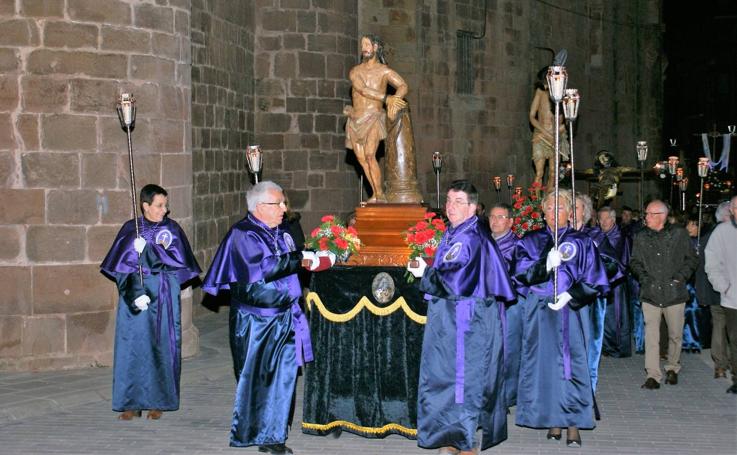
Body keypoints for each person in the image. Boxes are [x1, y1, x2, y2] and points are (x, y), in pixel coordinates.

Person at [202, 181, 334, 453]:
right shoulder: (244, 234)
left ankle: (273, 436)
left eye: (284, 203)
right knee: (258, 379)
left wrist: (314, 258)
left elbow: (291, 265)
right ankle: (259, 430)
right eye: (279, 204)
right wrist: (301, 258)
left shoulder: (280, 231)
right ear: (261, 207)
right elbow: (264, 267)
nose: (285, 208)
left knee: (284, 377)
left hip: (284, 315)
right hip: (257, 321)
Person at [407, 180, 516, 454]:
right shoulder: (455, 231)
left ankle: (463, 440)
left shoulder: (470, 236)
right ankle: (451, 435)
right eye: (448, 200)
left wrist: (426, 273)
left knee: (461, 379)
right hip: (452, 316)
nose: (450, 206)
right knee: (447, 375)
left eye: (458, 201)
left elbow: (457, 281)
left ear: (472, 207)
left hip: (465, 320)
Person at [512, 189, 609, 447]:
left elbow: (596, 278)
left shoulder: (581, 241)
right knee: (544, 365)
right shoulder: (530, 241)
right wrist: (545, 264)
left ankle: (574, 422)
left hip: (571, 310)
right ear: (543, 213)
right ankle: (552, 418)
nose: (555, 213)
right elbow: (519, 275)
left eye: (561, 208)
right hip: (539, 310)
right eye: (550, 208)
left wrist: (572, 295)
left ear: (570, 212)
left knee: (571, 364)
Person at [101, 184, 201, 420]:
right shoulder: (131, 229)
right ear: (145, 206)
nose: (164, 210)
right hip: (136, 296)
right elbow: (121, 269)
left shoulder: (172, 229)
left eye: (165, 205)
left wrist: (148, 252)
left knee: (161, 345)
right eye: (159, 205)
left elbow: (178, 262)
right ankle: (131, 402)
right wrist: (135, 293)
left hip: (164, 293)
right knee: (133, 346)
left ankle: (159, 400)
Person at [630, 200, 698, 390]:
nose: (646, 217)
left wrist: (680, 277)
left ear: (661, 216)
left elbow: (692, 259)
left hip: (674, 293)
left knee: (675, 334)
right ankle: (653, 375)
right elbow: (634, 261)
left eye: (650, 214)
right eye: (646, 214)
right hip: (650, 293)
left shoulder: (678, 234)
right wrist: (644, 278)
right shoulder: (641, 236)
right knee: (651, 336)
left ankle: (673, 368)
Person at [345, 33, 408, 203]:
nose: (363, 48)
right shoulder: (355, 71)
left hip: (373, 117)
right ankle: (376, 193)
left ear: (375, 48)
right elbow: (362, 89)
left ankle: (379, 195)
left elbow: (402, 85)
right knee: (361, 159)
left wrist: (396, 100)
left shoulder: (384, 71)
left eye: (367, 44)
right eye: (362, 45)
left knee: (370, 154)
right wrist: (388, 98)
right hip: (355, 119)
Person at [488, 203, 521, 408]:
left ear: (510, 221)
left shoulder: (517, 245)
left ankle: (507, 397)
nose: (495, 221)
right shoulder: (485, 242)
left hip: (509, 306)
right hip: (487, 305)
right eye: (492, 216)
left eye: (501, 217)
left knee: (509, 350)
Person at [704, 195, 737, 394]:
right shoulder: (722, 232)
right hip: (733, 299)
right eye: (735, 207)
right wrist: (723, 286)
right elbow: (712, 262)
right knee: (735, 340)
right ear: (731, 210)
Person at [698, 201, 731, 378]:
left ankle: (720, 364)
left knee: (719, 325)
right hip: (723, 289)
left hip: (715, 289)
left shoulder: (707, 236)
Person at [597, 206, 632, 358]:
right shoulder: (598, 235)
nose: (603, 222)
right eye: (601, 219)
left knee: (614, 317)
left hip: (615, 282)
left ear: (613, 219)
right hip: (600, 281)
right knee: (603, 316)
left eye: (607, 219)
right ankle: (605, 346)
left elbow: (621, 262)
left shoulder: (620, 237)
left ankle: (615, 348)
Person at [529, 68, 569, 192]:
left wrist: (557, 132)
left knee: (553, 173)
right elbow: (531, 116)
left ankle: (549, 199)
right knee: (539, 172)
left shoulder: (562, 95)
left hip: (556, 136)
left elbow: (567, 120)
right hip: (541, 134)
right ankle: (536, 204)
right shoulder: (540, 92)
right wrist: (545, 132)